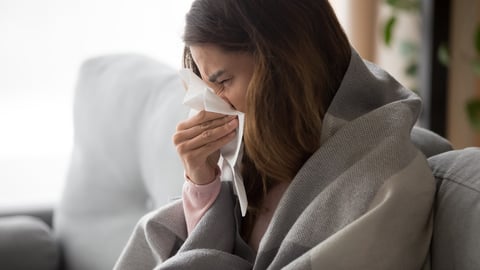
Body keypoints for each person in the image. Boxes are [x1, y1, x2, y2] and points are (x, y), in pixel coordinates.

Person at [114, 0, 435, 269]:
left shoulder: (383, 176)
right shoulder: (248, 165)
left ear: (285, 62)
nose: (212, 105)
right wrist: (202, 185)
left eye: (222, 82)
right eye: (205, 86)